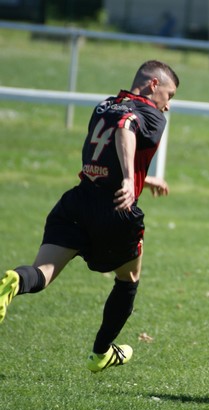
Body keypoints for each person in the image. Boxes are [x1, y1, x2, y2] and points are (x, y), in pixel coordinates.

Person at [0, 60, 180, 373]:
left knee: (41, 272)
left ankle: (14, 281)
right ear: (154, 85)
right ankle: (101, 353)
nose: (168, 104)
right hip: (114, 210)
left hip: (78, 201)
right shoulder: (151, 114)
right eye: (170, 94)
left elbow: (107, 147)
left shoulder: (105, 105)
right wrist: (129, 180)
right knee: (128, 279)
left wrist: (143, 178)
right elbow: (126, 129)